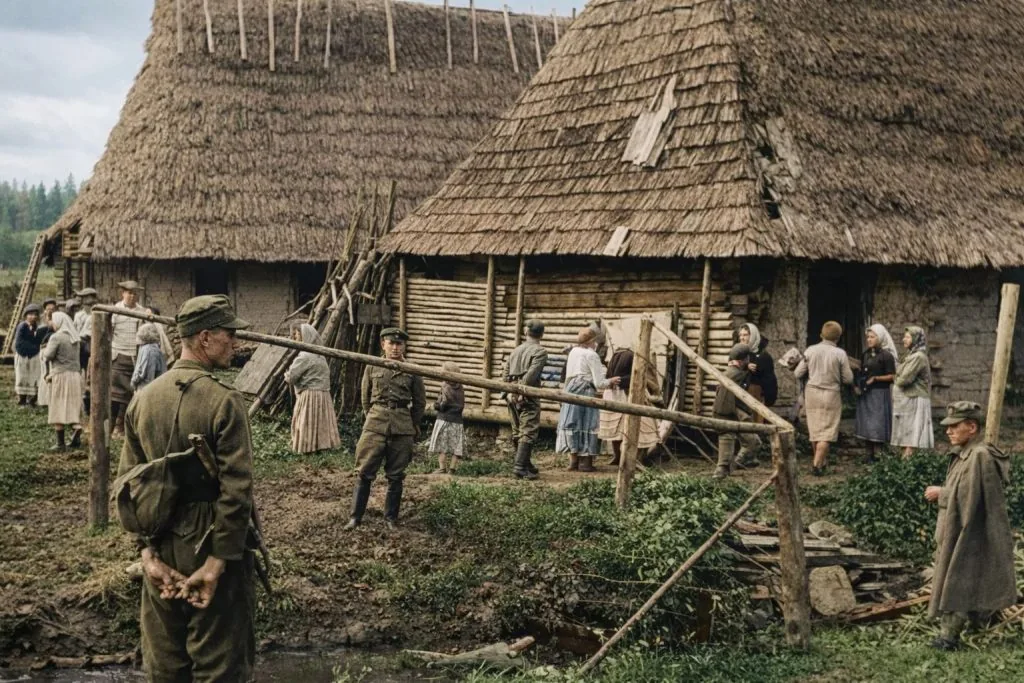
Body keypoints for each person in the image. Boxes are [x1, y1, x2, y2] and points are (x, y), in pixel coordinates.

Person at [117, 294, 256, 681]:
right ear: (205, 338)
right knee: (221, 667)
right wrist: (216, 563)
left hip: (160, 546)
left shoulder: (142, 400)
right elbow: (237, 492)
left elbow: (128, 487)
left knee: (166, 667)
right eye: (229, 334)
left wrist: (147, 555)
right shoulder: (225, 402)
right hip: (212, 543)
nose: (236, 343)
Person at [925, 402, 1016, 651]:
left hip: (968, 533)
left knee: (958, 580)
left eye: (955, 426)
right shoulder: (965, 454)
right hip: (957, 529)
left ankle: (948, 638)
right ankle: (972, 624)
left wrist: (942, 493)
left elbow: (972, 498)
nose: (948, 431)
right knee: (962, 578)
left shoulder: (979, 456)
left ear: (972, 427)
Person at [344, 328, 425, 531]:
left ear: (404, 346)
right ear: (383, 345)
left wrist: (410, 424)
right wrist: (373, 417)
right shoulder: (372, 366)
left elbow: (420, 403)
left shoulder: (413, 370)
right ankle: (355, 517)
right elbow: (365, 397)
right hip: (375, 424)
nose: (395, 348)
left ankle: (390, 519)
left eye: (399, 344)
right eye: (391, 343)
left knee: (396, 475)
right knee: (364, 472)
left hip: (402, 426)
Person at [556, 327, 621, 472]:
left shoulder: (573, 352)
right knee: (587, 423)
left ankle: (573, 461)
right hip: (585, 390)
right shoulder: (592, 355)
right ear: (592, 341)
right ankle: (585, 463)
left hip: (570, 389)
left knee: (573, 422)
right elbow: (599, 383)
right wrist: (611, 380)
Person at [794, 321, 854, 476]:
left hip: (812, 393)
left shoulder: (810, 350)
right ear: (838, 337)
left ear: (821, 335)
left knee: (815, 430)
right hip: (831, 394)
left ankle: (821, 461)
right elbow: (848, 379)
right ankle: (816, 464)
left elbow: (798, 373)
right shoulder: (840, 353)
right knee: (827, 431)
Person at [283, 323, 341, 454]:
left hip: (310, 395)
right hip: (323, 394)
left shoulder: (304, 356)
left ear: (305, 336)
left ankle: (307, 447)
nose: (296, 338)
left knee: (307, 420)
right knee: (320, 420)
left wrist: (286, 375)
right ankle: (321, 445)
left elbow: (292, 377)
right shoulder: (320, 356)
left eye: (298, 335)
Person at [598, 346, 660, 466]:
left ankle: (618, 456)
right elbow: (643, 378)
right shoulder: (635, 358)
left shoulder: (615, 356)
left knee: (616, 427)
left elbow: (610, 378)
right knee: (645, 426)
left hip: (613, 393)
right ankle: (636, 458)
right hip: (627, 394)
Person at [504, 320, 548, 480]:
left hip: (512, 394)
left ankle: (526, 463)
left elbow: (506, 373)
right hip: (527, 395)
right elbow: (531, 375)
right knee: (528, 430)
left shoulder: (516, 350)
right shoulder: (540, 351)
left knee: (517, 430)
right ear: (542, 334)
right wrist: (522, 392)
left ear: (526, 332)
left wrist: (509, 392)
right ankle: (520, 467)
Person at [712, 343, 763, 478]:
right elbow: (741, 377)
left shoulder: (729, 372)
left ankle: (725, 470)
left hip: (723, 412)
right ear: (744, 359)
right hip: (731, 412)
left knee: (728, 441)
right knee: (752, 442)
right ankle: (734, 465)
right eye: (747, 359)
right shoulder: (737, 374)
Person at [853, 324, 897, 463]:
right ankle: (869, 454)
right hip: (866, 393)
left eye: (872, 337)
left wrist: (876, 379)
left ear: (880, 338)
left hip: (879, 394)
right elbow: (861, 370)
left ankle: (879, 455)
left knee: (877, 423)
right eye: (868, 337)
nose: (869, 339)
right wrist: (858, 384)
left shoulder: (886, 356)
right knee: (866, 423)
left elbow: (892, 376)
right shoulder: (866, 354)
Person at [41, 312, 84, 451]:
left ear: (59, 322)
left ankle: (60, 444)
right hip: (75, 376)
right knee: (72, 405)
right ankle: (76, 428)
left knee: (58, 406)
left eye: (53, 321)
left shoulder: (56, 337)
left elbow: (48, 355)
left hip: (61, 375)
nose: (52, 324)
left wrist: (44, 351)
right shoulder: (75, 338)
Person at [110, 281, 148, 435]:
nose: (132, 296)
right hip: (118, 355)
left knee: (130, 394)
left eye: (135, 293)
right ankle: (110, 427)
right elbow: (109, 332)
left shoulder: (141, 311)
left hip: (134, 356)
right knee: (114, 394)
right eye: (129, 293)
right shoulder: (115, 310)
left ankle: (122, 427)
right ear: (123, 294)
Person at [891, 325, 934, 457]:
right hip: (909, 398)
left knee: (912, 432)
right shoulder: (911, 355)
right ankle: (906, 463)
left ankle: (908, 463)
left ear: (916, 339)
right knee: (907, 432)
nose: (904, 339)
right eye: (904, 337)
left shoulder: (918, 357)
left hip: (915, 398)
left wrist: (896, 378)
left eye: (908, 337)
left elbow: (904, 379)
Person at [429, 361, 465, 474]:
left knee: (442, 445)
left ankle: (442, 468)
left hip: (444, 419)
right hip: (457, 420)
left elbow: (443, 404)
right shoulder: (461, 387)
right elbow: (462, 404)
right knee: (456, 446)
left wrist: (436, 406)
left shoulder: (445, 386)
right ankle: (452, 469)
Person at [739, 323, 778, 417]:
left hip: (755, 397)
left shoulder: (764, 357)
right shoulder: (739, 352)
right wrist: (745, 366)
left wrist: (769, 400)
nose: (742, 338)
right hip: (739, 395)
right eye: (740, 335)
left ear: (753, 336)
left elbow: (769, 380)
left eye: (745, 335)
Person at [13, 303, 46, 408]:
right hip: (23, 355)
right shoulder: (22, 326)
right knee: (22, 377)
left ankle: (31, 400)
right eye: (30, 314)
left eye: (35, 315)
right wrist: (34, 348)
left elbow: (37, 340)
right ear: (26, 315)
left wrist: (37, 347)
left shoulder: (36, 327)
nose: (33, 317)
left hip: (33, 356)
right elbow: (19, 342)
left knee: (33, 376)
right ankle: (22, 400)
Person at [74, 288, 99, 415]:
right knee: (82, 374)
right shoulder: (79, 315)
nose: (87, 302)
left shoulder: (97, 314)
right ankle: (83, 402)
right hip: (81, 346)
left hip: (92, 345)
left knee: (92, 374)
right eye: (85, 299)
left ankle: (91, 403)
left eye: (90, 299)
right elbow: (76, 330)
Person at [130, 323, 168, 393]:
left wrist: (133, 382)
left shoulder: (148, 350)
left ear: (144, 335)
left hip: (147, 389)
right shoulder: (154, 348)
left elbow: (143, 373)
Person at [37, 297, 58, 408]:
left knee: (52, 372)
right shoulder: (41, 321)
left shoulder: (57, 319)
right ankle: (44, 399)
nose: (50, 311)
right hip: (43, 349)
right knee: (44, 372)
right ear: (45, 310)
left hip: (53, 349)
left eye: (52, 309)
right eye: (48, 309)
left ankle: (52, 399)